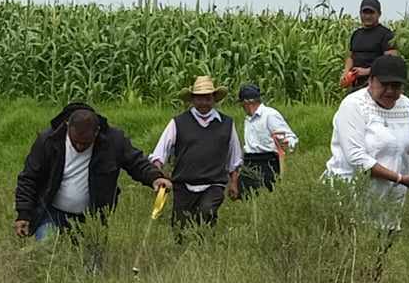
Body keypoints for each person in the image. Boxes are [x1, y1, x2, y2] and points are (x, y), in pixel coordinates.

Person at [14, 102, 170, 249]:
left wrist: (155, 178)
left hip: (92, 217)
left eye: (86, 143)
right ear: (67, 127)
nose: (80, 146)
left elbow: (136, 162)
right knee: (46, 252)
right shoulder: (49, 140)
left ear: (97, 132)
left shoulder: (113, 141)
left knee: (92, 266)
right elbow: (29, 178)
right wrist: (24, 213)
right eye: (76, 142)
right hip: (52, 213)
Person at [324, 51, 409, 223]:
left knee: (384, 247)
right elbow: (356, 158)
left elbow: (408, 148)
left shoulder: (406, 105)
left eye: (396, 86)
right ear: (370, 81)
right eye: (384, 84)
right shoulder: (354, 105)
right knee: (356, 247)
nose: (390, 91)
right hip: (353, 195)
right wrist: (399, 178)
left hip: (390, 200)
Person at [151, 76, 242, 233]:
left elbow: (234, 157)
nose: (204, 103)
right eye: (199, 99)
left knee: (206, 214)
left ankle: (206, 248)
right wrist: (158, 173)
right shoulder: (178, 123)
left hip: (214, 184)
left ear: (214, 99)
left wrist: (233, 182)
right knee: (180, 229)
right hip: (184, 185)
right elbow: (160, 152)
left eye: (207, 98)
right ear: (192, 99)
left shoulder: (227, 124)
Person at [236, 84, 299, 196]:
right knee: (244, 195)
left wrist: (287, 144)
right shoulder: (248, 119)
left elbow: (290, 137)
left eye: (242, 104)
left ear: (246, 102)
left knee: (265, 195)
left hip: (267, 162)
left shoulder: (270, 115)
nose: (242, 107)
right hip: (249, 161)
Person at [342, 0, 396, 88]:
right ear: (360, 14)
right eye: (365, 13)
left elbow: (390, 62)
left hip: (377, 84)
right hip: (356, 84)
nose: (367, 16)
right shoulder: (356, 34)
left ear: (379, 14)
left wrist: (367, 71)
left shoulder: (386, 35)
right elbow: (351, 57)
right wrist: (346, 73)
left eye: (371, 13)